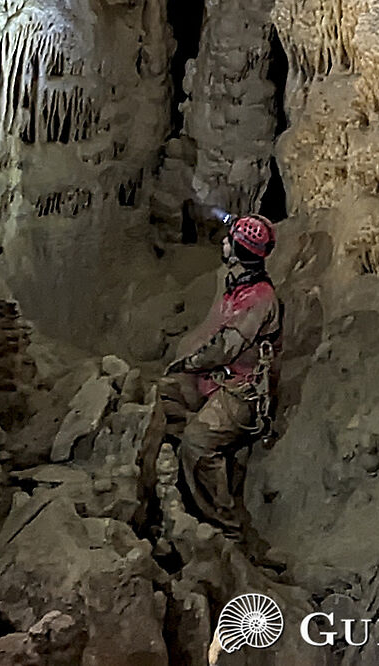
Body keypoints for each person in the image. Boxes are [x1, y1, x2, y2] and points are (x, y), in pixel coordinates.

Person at [160, 215, 284, 533]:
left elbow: (224, 348)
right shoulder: (238, 286)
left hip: (244, 393)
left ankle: (223, 524)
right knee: (164, 396)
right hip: (220, 378)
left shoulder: (258, 299)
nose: (223, 243)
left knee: (196, 443)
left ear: (240, 250)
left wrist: (189, 364)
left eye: (229, 239)